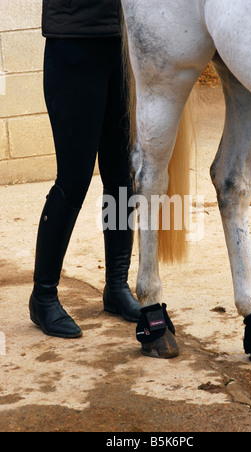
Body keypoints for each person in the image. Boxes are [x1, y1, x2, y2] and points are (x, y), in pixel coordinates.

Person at [29, 0, 141, 338]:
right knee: (74, 179)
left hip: (122, 44)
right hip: (73, 45)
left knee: (122, 176)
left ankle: (117, 286)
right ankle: (43, 296)